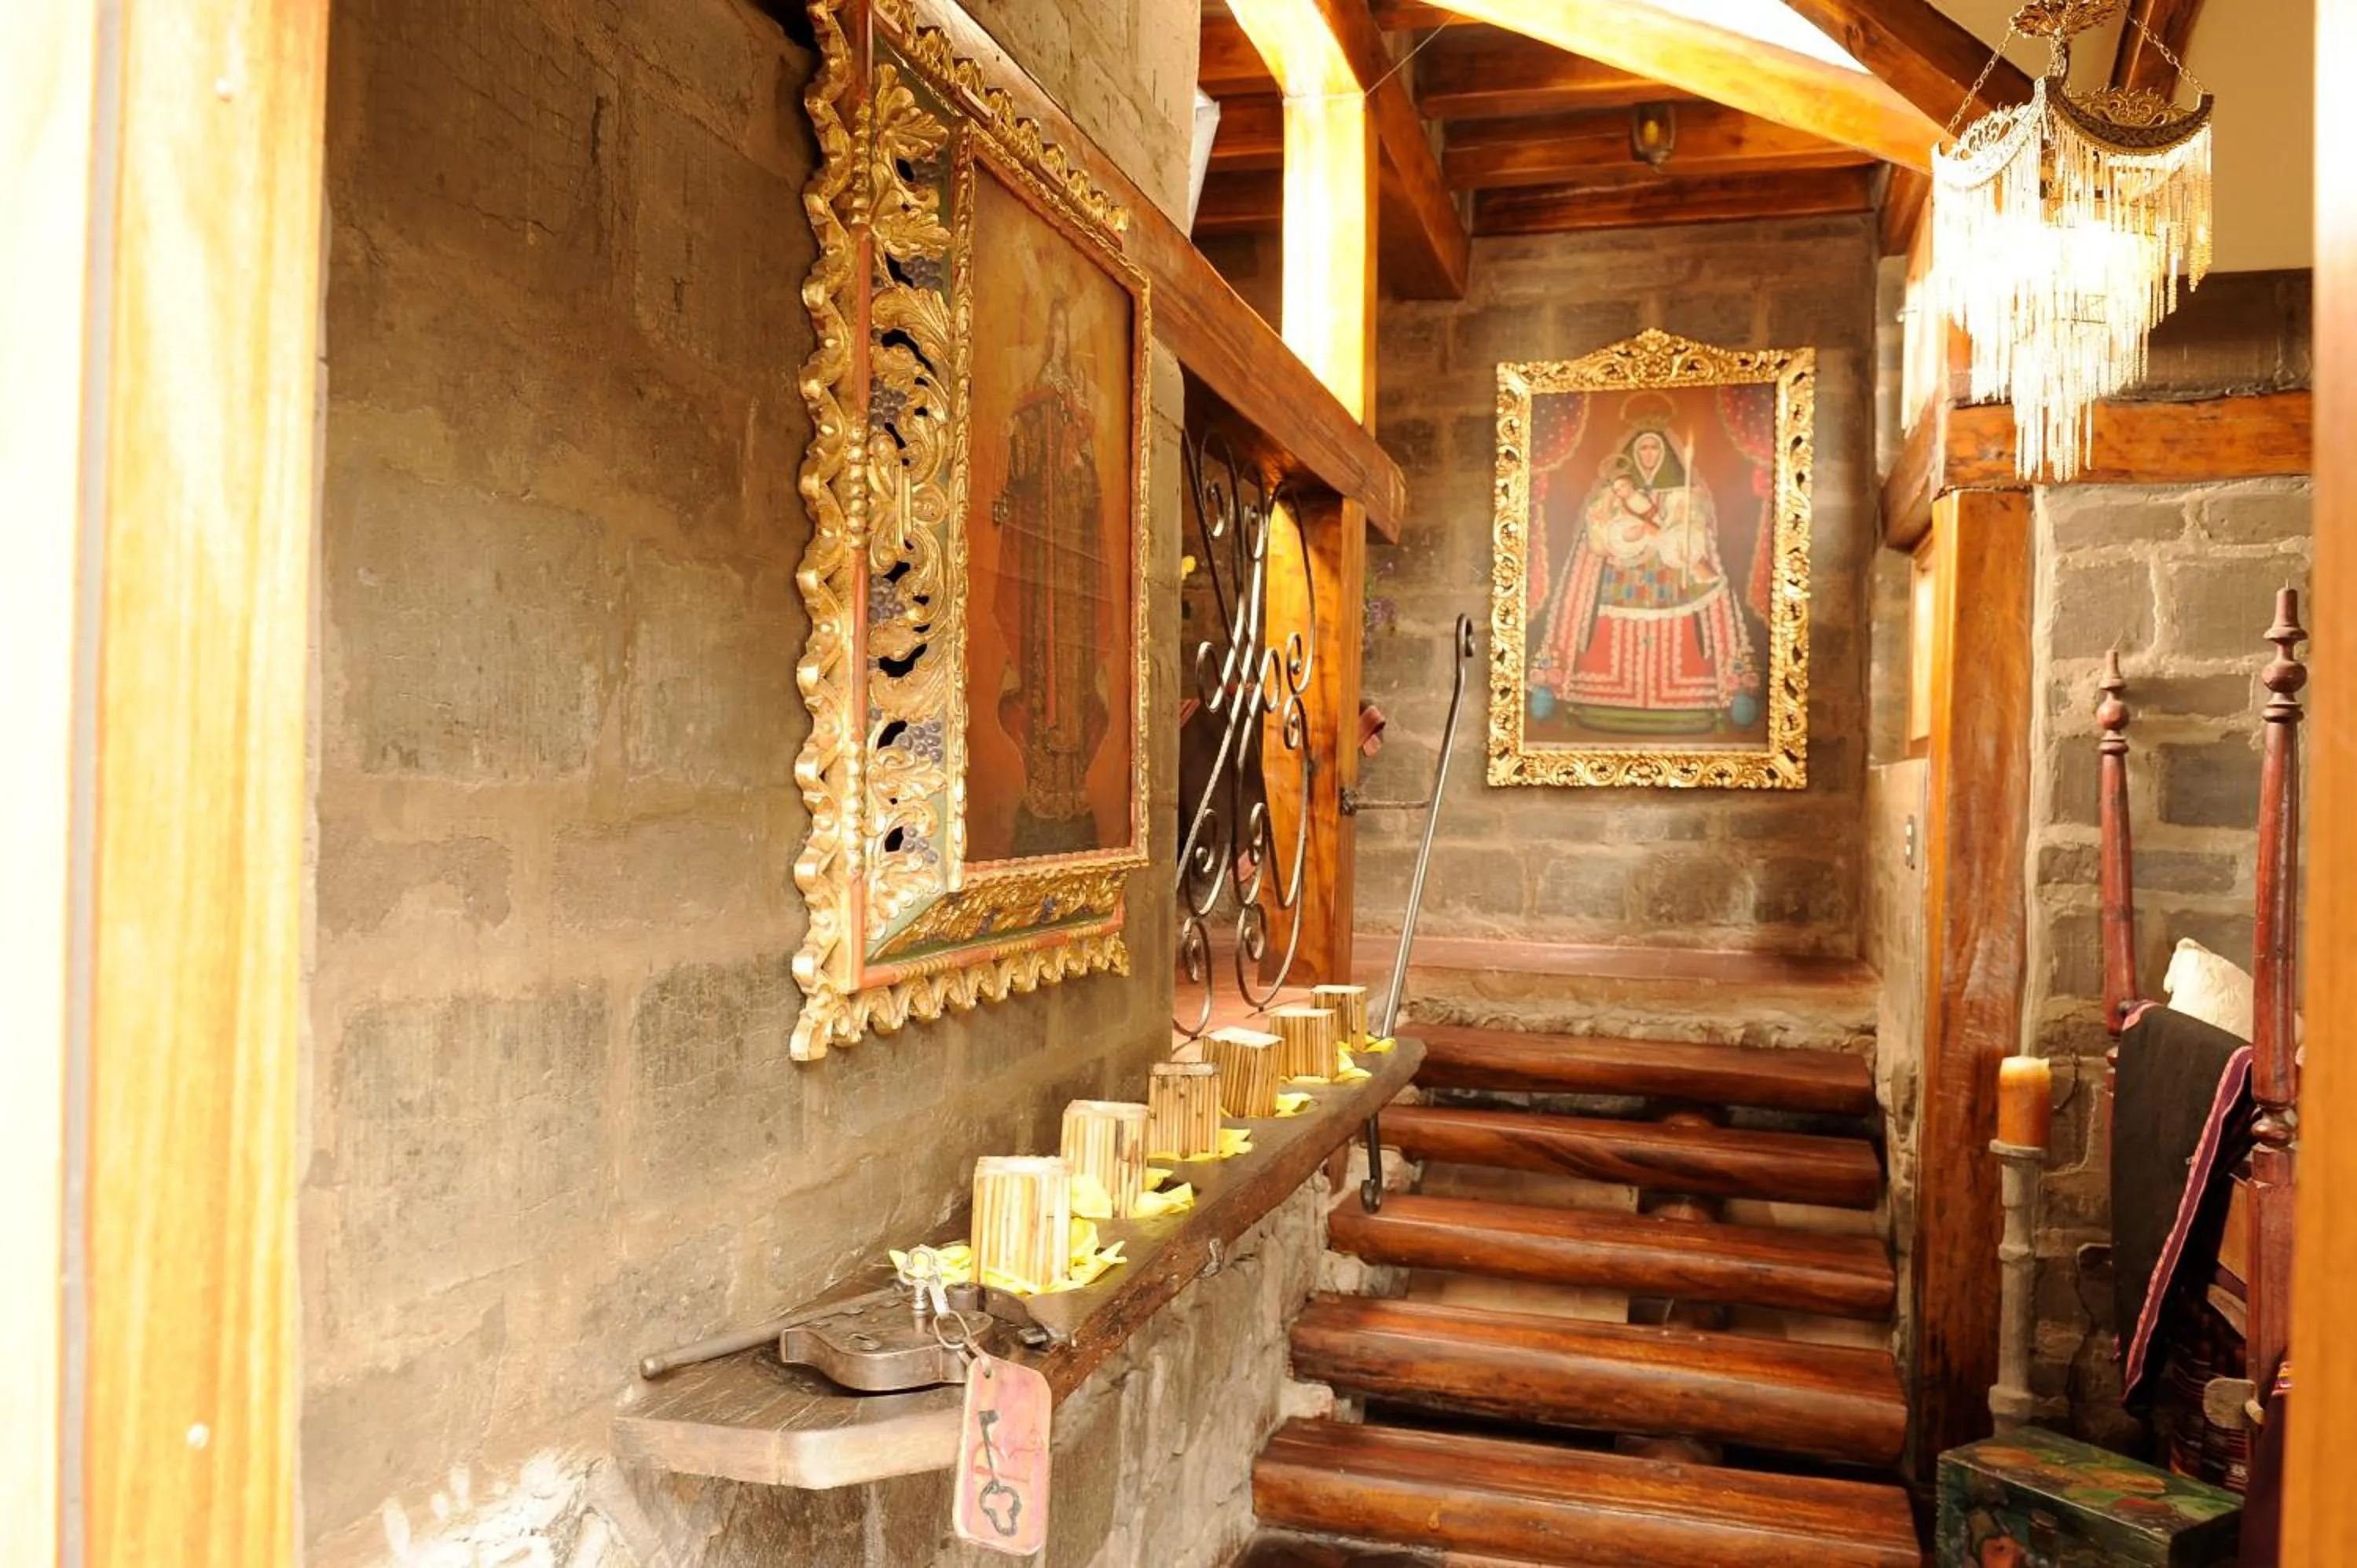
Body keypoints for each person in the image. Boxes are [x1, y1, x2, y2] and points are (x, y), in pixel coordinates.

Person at [1527, 394, 1761, 737]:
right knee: (1618, 635)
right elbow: (1597, 527)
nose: (1649, 456)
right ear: (1633, 456)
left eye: (1654, 449)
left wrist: (1680, 535)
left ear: (1665, 453)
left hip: (1670, 579)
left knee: (1672, 634)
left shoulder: (1683, 492)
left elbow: (1692, 527)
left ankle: (1680, 705)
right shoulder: (1614, 492)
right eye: (1643, 450)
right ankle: (1606, 701)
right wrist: (1622, 532)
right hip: (1624, 577)